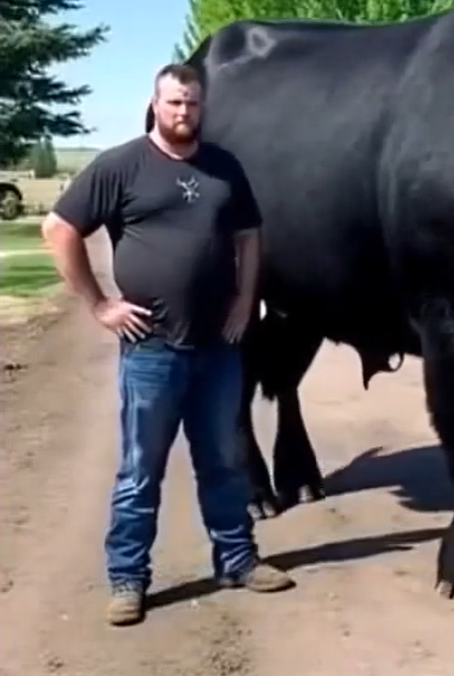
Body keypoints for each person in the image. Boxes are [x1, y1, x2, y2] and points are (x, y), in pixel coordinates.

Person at [41, 63, 294, 627]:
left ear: (203, 107)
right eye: (175, 102)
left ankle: (237, 560)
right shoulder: (121, 165)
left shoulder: (224, 166)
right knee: (141, 470)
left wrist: (244, 301)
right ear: (155, 104)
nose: (184, 112)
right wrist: (99, 304)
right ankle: (128, 577)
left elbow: (249, 235)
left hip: (218, 348)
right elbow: (58, 229)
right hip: (152, 349)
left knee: (224, 462)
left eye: (193, 103)